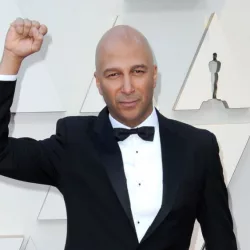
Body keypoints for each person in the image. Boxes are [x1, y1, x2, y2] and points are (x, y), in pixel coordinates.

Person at [0, 18, 237, 250]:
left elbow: (221, 241)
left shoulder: (198, 147)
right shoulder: (74, 142)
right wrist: (11, 60)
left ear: (154, 75)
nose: (127, 87)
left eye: (137, 71)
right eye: (113, 74)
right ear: (98, 82)